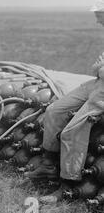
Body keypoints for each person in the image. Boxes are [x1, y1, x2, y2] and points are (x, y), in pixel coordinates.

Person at [25, 53, 104, 203]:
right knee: (54, 111)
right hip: (97, 83)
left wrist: (101, 69)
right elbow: (96, 68)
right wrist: (100, 69)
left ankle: (67, 185)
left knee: (73, 131)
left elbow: (100, 68)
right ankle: (48, 165)